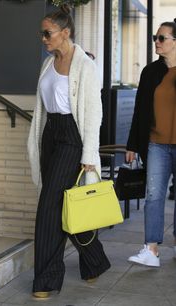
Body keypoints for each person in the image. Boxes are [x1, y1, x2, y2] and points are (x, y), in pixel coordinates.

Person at [27, 4, 110, 299]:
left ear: (65, 32)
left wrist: (89, 157)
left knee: (48, 207)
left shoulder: (85, 66)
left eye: (47, 33)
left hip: (73, 139)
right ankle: (95, 261)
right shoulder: (48, 64)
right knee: (67, 205)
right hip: (51, 136)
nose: (43, 38)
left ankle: (46, 280)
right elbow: (43, 109)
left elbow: (93, 113)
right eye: (42, 33)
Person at [126, 19, 176, 267]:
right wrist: (132, 145)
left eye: (161, 38)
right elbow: (139, 111)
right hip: (156, 143)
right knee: (154, 195)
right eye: (155, 38)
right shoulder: (151, 72)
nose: (156, 42)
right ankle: (151, 249)